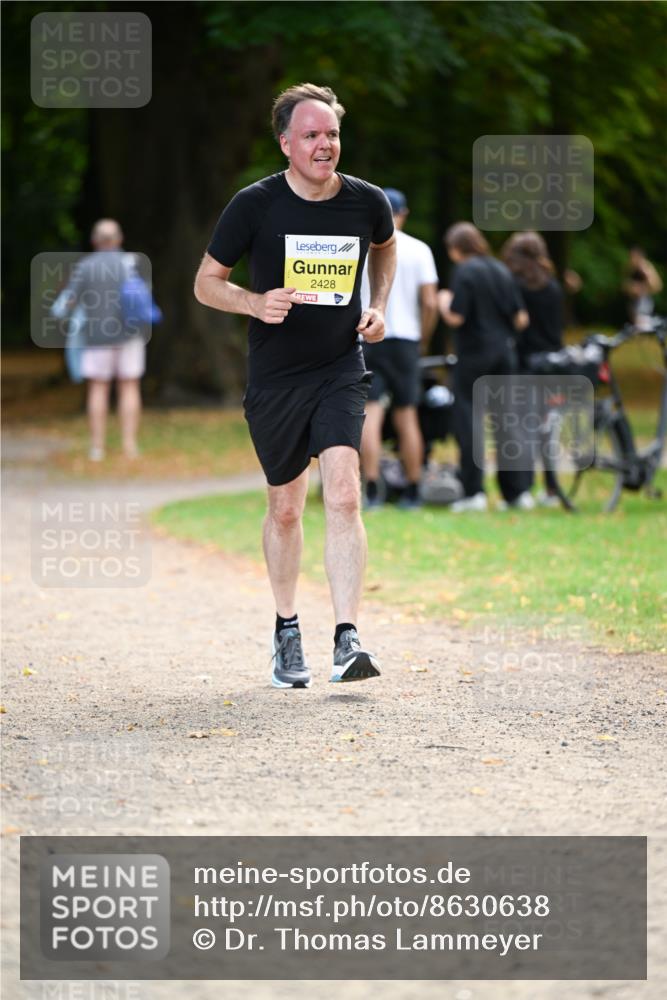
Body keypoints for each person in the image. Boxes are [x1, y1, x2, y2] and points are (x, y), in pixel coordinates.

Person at [194, 83, 396, 688]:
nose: (324, 144)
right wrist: (255, 302)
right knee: (285, 507)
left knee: (343, 492)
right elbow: (206, 283)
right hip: (277, 376)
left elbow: (385, 251)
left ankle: (347, 637)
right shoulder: (253, 205)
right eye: (311, 135)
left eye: (331, 133)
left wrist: (378, 305)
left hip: (340, 366)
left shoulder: (367, 202)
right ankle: (287, 631)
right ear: (286, 143)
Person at [438, 222, 531, 512]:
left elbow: (456, 317)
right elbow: (521, 319)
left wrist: (443, 302)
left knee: (469, 420)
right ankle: (516, 493)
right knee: (506, 420)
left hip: (474, 354)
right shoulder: (501, 270)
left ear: (455, 249)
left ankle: (473, 492)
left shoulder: (465, 271)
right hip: (504, 353)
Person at [359, 188, 439, 510]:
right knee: (408, 416)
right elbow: (430, 301)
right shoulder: (420, 250)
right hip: (405, 340)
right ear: (403, 214)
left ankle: (373, 487)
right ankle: (413, 487)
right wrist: (424, 337)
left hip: (367, 336)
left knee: (370, 414)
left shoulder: (363, 247)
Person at [63, 219, 147, 461]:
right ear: (119, 239)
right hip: (130, 334)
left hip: (96, 336)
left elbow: (70, 301)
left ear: (95, 241)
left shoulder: (85, 266)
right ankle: (130, 445)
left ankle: (97, 448)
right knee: (129, 386)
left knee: (98, 388)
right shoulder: (132, 263)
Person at [501, 231, 565, 508]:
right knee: (547, 429)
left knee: (523, 427)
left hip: (524, 364)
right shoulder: (553, 286)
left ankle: (523, 489)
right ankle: (553, 489)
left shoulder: (515, 286)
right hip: (552, 365)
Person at [623, 247, 663, 322]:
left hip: (643, 301)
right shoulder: (630, 268)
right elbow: (625, 285)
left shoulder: (646, 268)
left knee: (640, 325)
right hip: (633, 301)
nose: (631, 259)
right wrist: (630, 288)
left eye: (633, 257)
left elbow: (657, 286)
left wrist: (641, 288)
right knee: (636, 325)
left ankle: (658, 322)